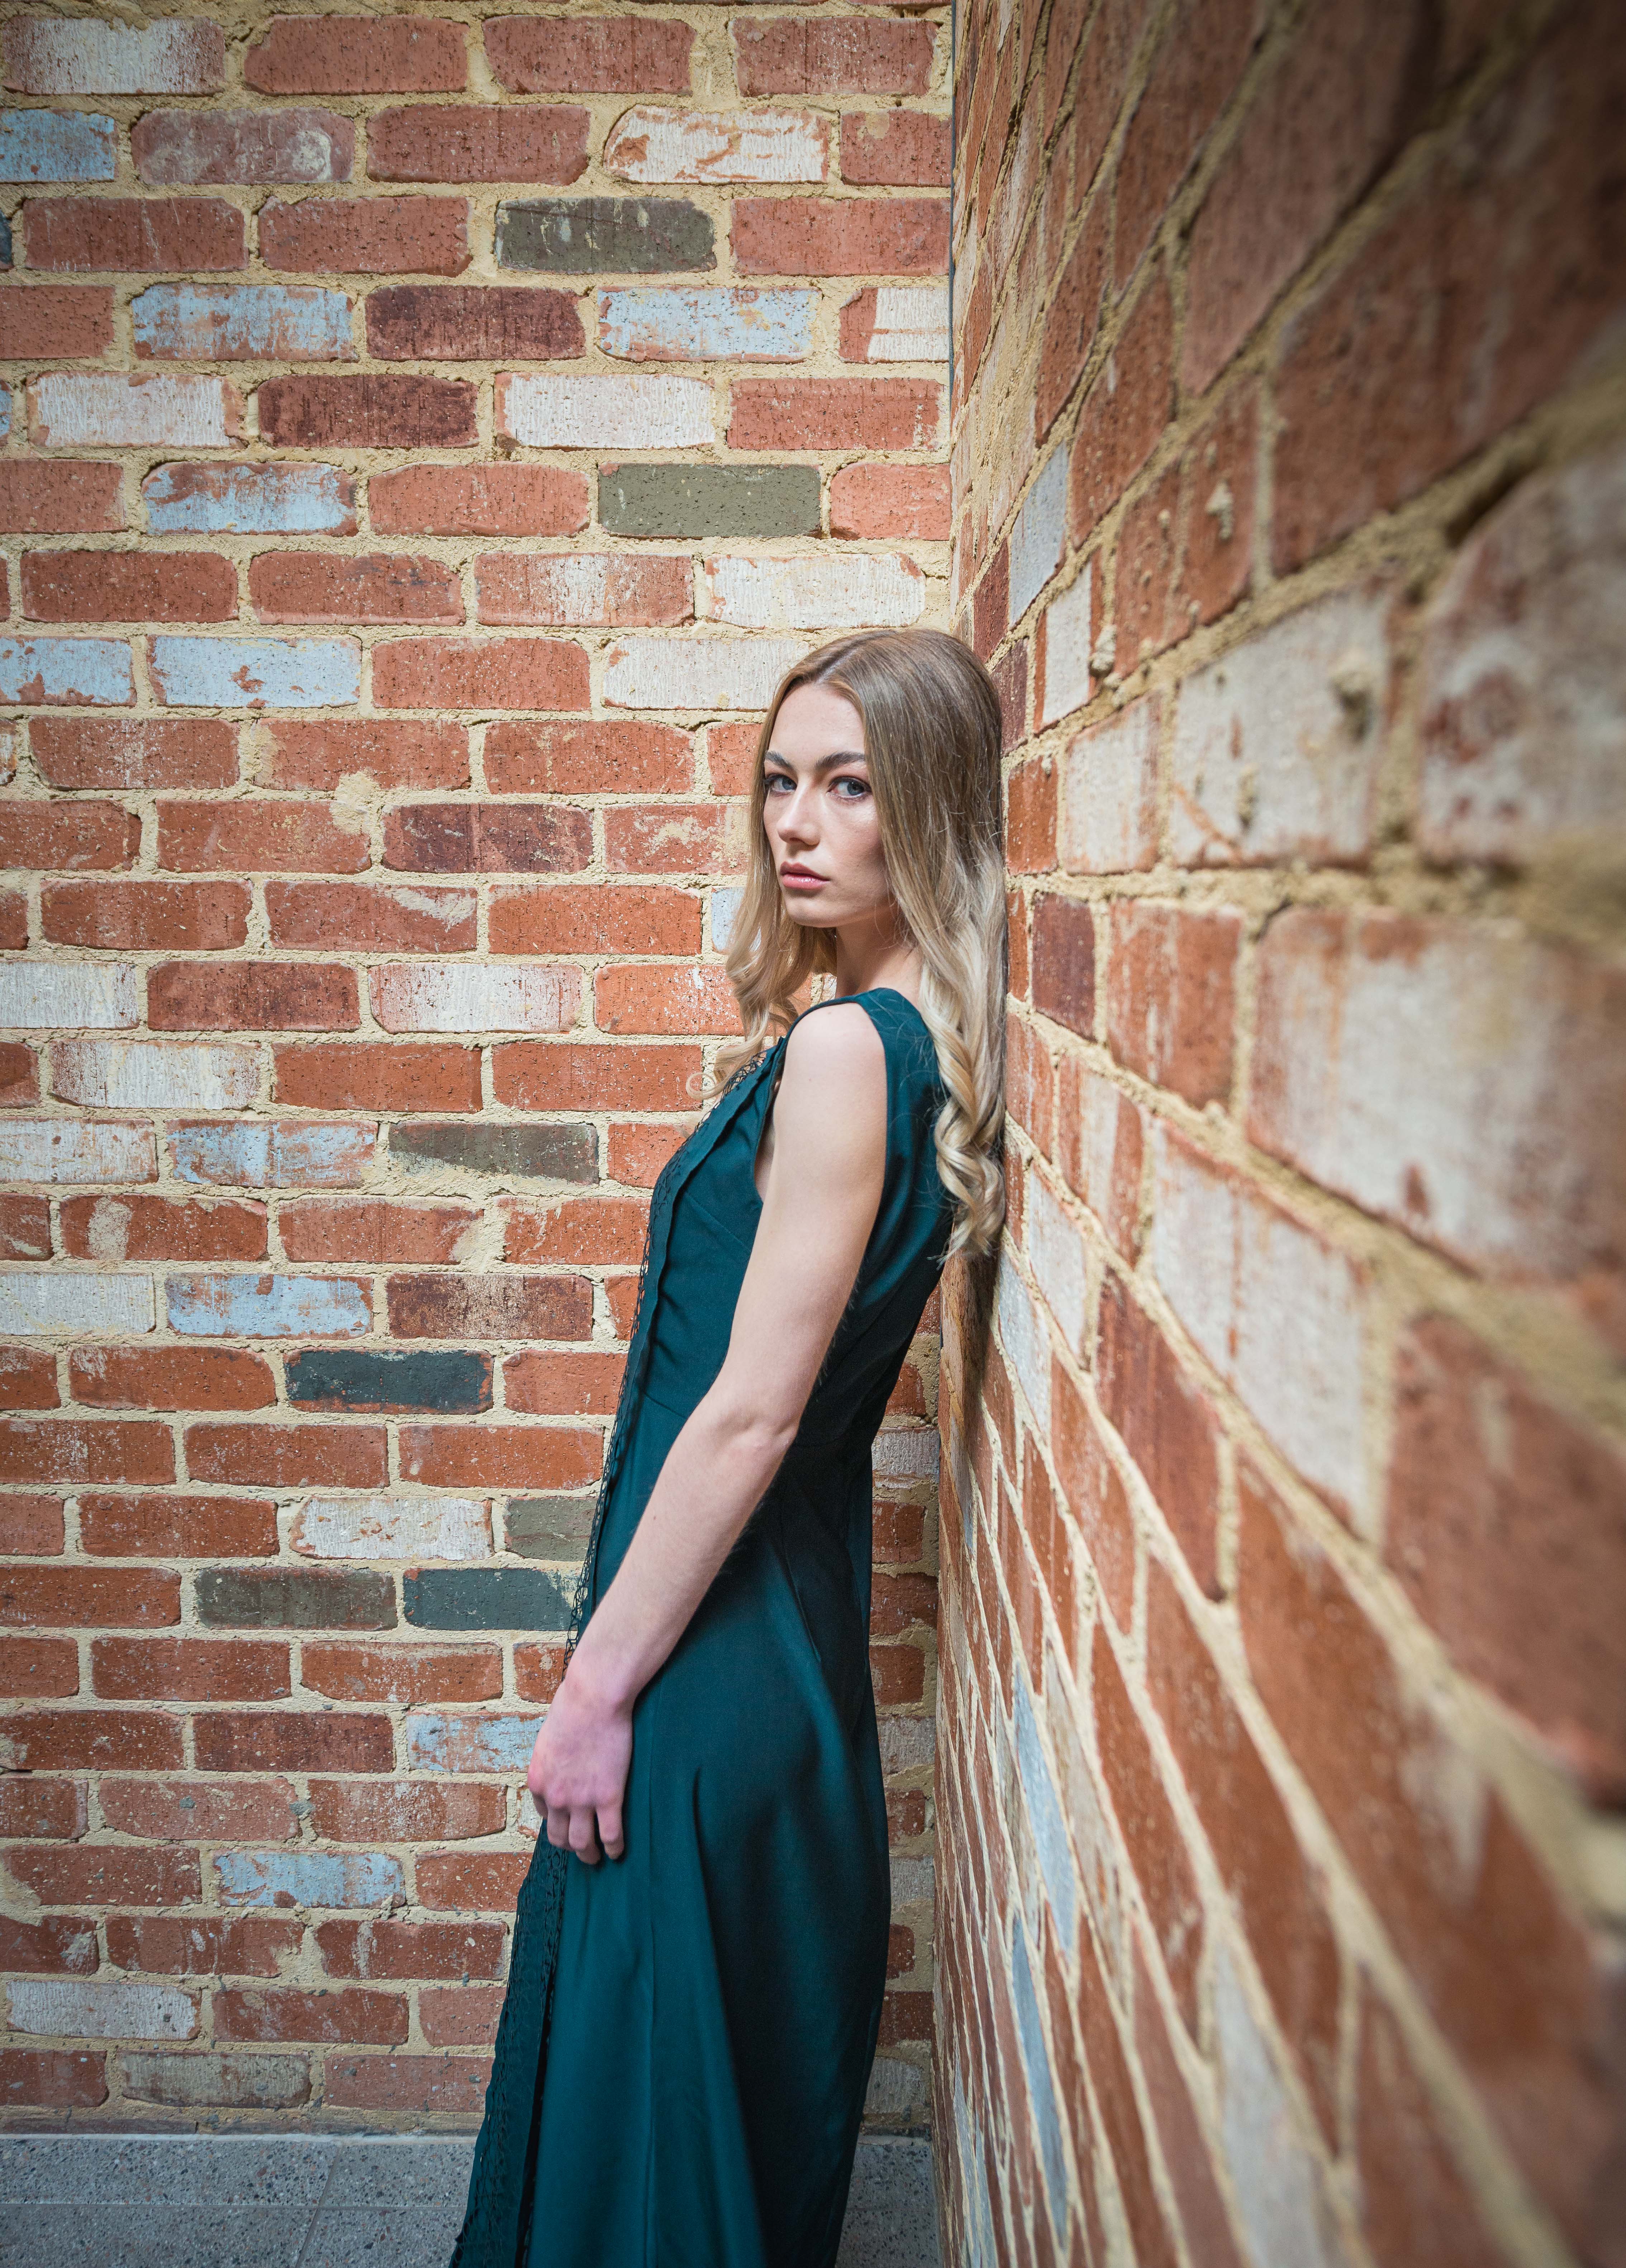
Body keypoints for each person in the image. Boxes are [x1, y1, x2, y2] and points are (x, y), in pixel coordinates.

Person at [449, 626, 1008, 2268]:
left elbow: (755, 1409)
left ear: (932, 810)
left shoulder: (849, 1051)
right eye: (781, 781)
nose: (798, 821)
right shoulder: (906, 1045)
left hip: (705, 1675)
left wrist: (595, 1693)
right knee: (693, 2146)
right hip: (774, 1658)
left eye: (850, 784)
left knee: (648, 2173)